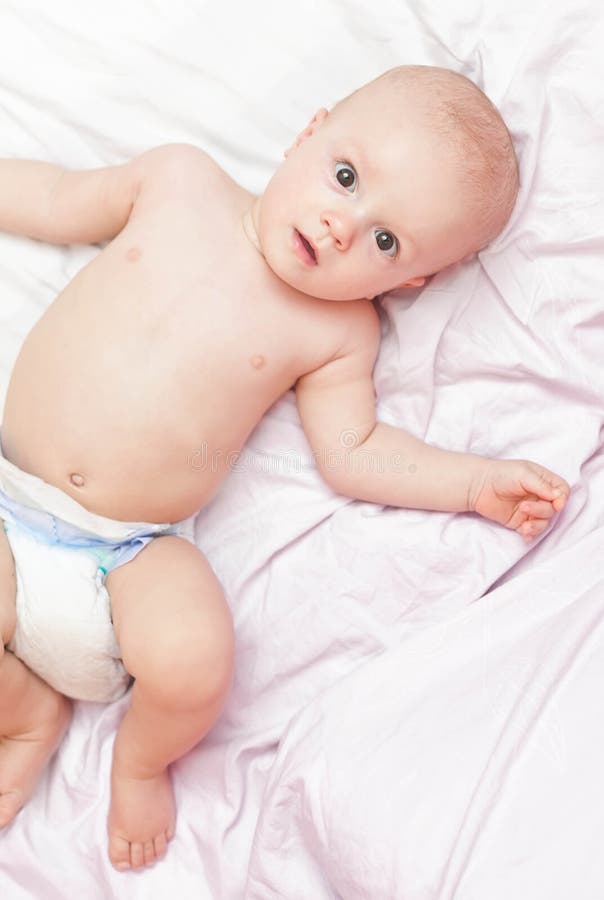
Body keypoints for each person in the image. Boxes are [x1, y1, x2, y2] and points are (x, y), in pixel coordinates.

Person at [0, 65, 569, 871]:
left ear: (408, 281)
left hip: (130, 551)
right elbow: (57, 200)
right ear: (309, 131)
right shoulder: (177, 182)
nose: (343, 226)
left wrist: (475, 484)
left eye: (384, 239)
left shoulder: (338, 333)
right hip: (11, 495)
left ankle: (140, 761)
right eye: (346, 178)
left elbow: (355, 454)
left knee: (197, 656)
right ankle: (25, 715)